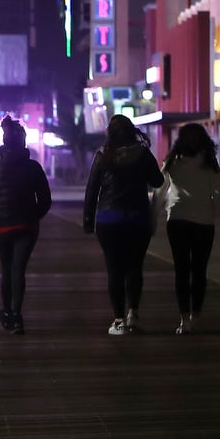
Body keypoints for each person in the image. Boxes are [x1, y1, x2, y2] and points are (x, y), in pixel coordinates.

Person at [82, 114, 164, 335]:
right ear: (131, 131)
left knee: (114, 269)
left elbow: (92, 190)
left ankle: (118, 321)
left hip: (109, 221)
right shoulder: (143, 154)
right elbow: (158, 181)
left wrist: (88, 220)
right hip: (138, 219)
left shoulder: (103, 155)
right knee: (135, 267)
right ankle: (133, 314)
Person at [157, 122, 220, 334]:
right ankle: (195, 316)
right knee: (199, 271)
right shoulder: (209, 164)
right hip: (204, 223)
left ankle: (184, 319)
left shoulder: (172, 161)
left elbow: (160, 191)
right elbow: (219, 197)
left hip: (177, 220)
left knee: (181, 270)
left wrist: (151, 220)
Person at [0, 115, 52, 334]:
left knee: (6, 269)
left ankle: (7, 313)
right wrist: (34, 217)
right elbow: (45, 199)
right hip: (27, 226)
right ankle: (17, 316)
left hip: (1, 226)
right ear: (23, 141)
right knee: (19, 270)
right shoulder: (33, 168)